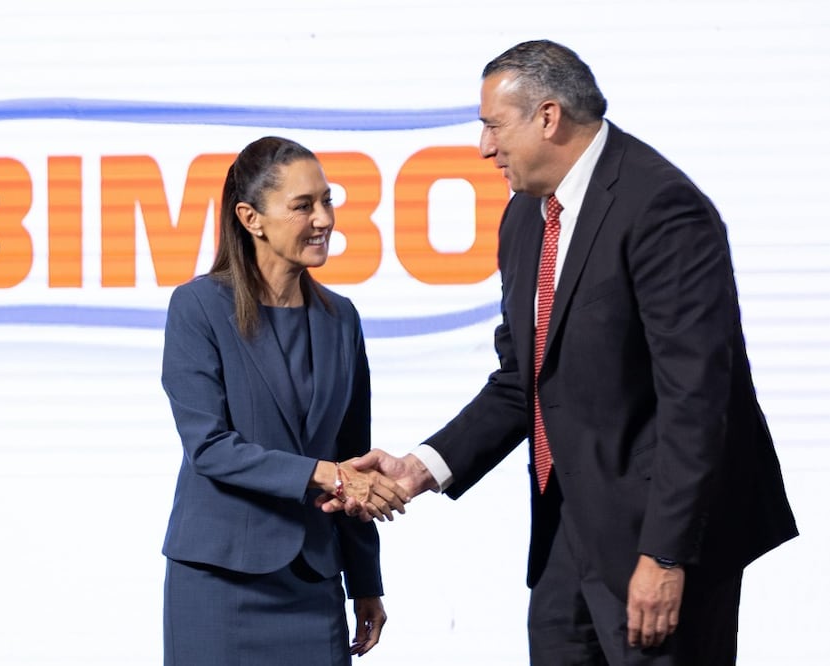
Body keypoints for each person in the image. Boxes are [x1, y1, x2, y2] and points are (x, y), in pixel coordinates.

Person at [324, 40, 798, 664]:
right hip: (566, 539)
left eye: (493, 126)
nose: (484, 148)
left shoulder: (661, 208)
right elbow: (523, 381)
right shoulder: (525, 218)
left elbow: (697, 402)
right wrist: (419, 470)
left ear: (548, 117)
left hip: (661, 541)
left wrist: (665, 556)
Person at [160, 136, 409, 665]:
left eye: (327, 201)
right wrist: (326, 474)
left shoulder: (342, 318)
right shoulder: (198, 306)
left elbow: (353, 455)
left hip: (314, 584)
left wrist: (364, 581)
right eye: (303, 206)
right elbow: (210, 447)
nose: (323, 218)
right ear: (251, 218)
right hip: (220, 582)